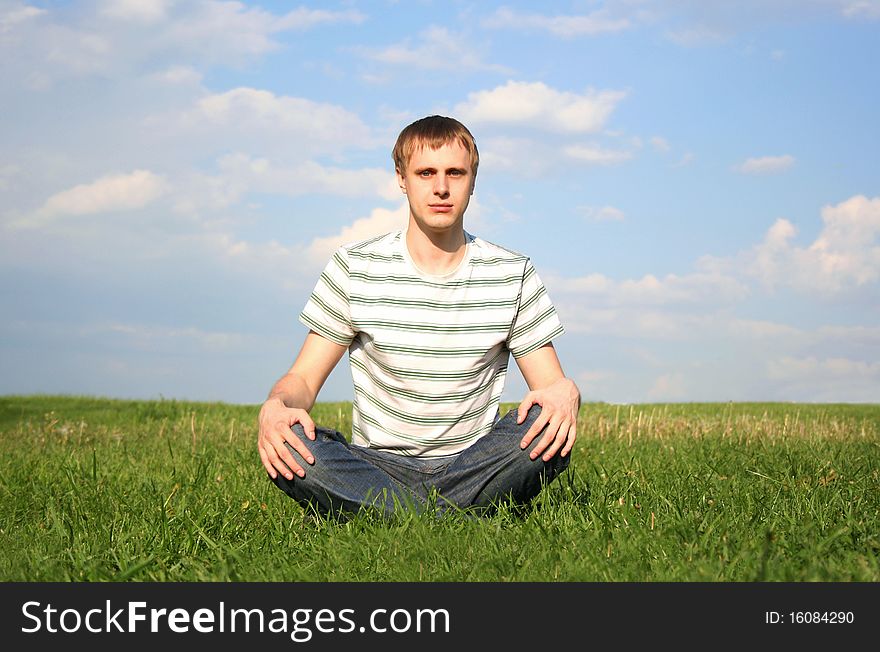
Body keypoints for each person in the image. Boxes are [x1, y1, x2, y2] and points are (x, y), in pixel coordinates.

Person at [257, 115, 581, 518]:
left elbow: (549, 389)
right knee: (289, 442)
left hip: (476, 463)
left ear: (473, 180)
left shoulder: (511, 272)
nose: (441, 187)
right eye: (426, 172)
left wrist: (565, 393)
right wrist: (277, 405)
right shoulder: (354, 267)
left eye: (455, 173)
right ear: (401, 177)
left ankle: (396, 514)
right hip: (376, 466)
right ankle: (453, 514)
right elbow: (303, 380)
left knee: (545, 428)